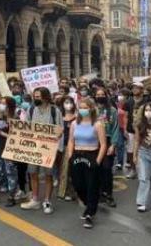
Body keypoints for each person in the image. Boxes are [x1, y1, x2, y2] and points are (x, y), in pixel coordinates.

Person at [21, 87, 63, 214]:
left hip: (48, 148)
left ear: (45, 97)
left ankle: (47, 201)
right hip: (34, 147)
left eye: (38, 96)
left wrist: (55, 144)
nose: (35, 99)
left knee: (48, 175)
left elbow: (60, 130)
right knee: (33, 173)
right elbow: (26, 126)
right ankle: (35, 200)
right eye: (34, 96)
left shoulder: (55, 111)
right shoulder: (31, 109)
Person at [67, 97, 107, 229]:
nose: (83, 110)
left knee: (91, 186)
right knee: (78, 185)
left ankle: (90, 212)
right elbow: (71, 141)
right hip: (77, 155)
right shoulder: (74, 124)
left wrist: (97, 161)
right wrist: (70, 156)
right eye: (81, 107)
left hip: (92, 155)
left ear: (91, 109)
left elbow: (103, 145)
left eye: (85, 107)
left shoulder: (97, 124)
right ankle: (87, 204)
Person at [93, 87, 121, 207]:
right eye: (97, 94)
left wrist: (113, 145)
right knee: (96, 168)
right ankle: (98, 194)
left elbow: (115, 128)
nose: (100, 96)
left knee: (107, 168)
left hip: (108, 140)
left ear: (106, 95)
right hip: (94, 141)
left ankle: (108, 194)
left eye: (102, 94)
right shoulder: (91, 109)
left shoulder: (112, 110)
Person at [58, 96, 77, 201]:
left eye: (70, 102)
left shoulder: (77, 117)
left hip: (76, 146)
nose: (68, 104)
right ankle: (62, 192)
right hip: (62, 146)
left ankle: (72, 191)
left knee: (73, 170)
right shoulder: (59, 117)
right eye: (66, 102)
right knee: (63, 169)